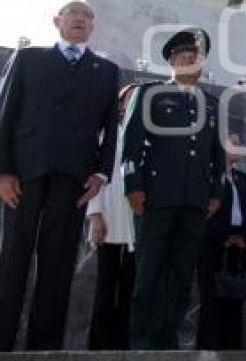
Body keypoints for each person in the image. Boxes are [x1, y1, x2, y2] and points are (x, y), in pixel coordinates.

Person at [0, 0, 119, 351]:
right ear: (57, 21)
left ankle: (44, 347)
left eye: (86, 16)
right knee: (12, 260)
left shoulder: (105, 71)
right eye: (73, 14)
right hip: (24, 175)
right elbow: (6, 117)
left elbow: (110, 128)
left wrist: (100, 173)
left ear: (93, 27)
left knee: (59, 262)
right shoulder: (29, 59)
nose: (80, 20)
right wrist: (3, 171)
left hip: (74, 180)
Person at [122, 27, 225, 350]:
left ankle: (169, 340)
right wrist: (133, 187)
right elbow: (131, 147)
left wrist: (215, 193)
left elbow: (216, 155)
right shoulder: (150, 92)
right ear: (171, 61)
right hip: (155, 198)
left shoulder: (212, 103)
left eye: (197, 58)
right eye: (185, 56)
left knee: (181, 275)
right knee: (149, 273)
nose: (192, 62)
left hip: (194, 202)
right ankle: (142, 343)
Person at [87, 83, 139, 350]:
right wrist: (95, 215)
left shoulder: (147, 135)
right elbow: (95, 174)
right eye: (128, 99)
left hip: (136, 222)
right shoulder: (108, 134)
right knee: (106, 286)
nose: (132, 103)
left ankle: (123, 347)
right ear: (120, 104)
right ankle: (97, 348)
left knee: (131, 287)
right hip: (108, 217)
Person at [196, 134, 246, 350]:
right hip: (213, 248)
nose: (238, 147)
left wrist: (244, 237)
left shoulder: (244, 180)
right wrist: (225, 237)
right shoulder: (209, 177)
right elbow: (205, 214)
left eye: (240, 143)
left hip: (238, 251)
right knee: (212, 303)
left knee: (234, 302)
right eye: (233, 143)